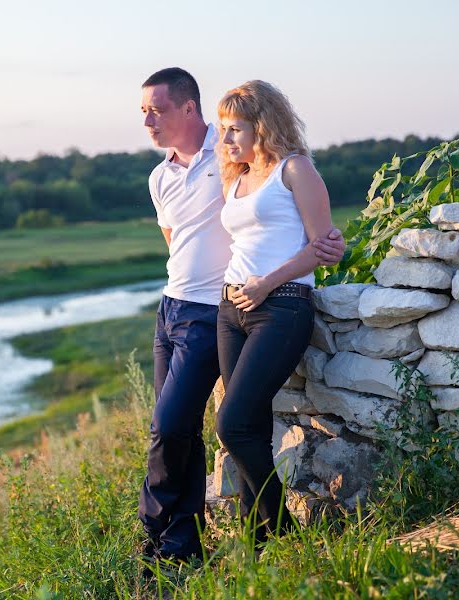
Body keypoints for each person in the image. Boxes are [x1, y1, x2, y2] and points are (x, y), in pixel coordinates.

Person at [136, 68, 345, 564]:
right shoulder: (193, 175)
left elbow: (316, 238)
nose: (148, 120)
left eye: (157, 109)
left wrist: (271, 278)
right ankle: (198, 545)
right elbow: (183, 242)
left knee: (207, 425)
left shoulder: (260, 160)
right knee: (205, 428)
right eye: (142, 110)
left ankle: (265, 530)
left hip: (252, 306)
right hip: (200, 306)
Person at [214, 80, 332, 544]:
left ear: (262, 126)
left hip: (281, 305)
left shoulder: (295, 169)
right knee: (251, 428)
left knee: (232, 422)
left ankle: (284, 532)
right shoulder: (237, 177)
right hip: (232, 309)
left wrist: (267, 283)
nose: (226, 139)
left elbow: (324, 247)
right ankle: (257, 547)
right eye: (223, 129)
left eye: (234, 129)